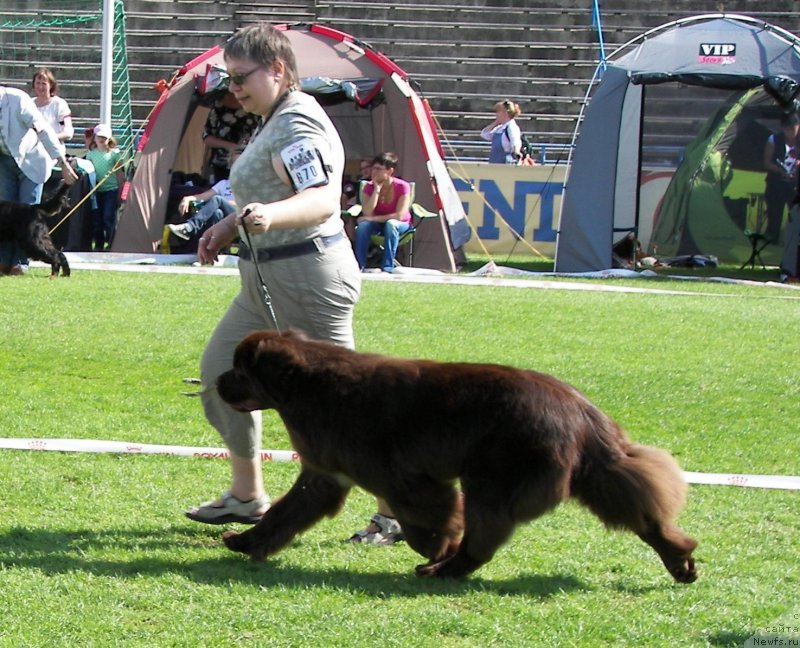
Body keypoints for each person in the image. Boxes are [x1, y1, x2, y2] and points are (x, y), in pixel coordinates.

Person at [185, 22, 399, 545]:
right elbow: (268, 193)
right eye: (227, 78)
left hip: (309, 278)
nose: (232, 88)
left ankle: (396, 511)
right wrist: (230, 222)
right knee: (220, 374)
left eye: (241, 77)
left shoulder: (300, 120)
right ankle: (245, 495)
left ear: (278, 69)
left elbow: (323, 199)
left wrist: (267, 216)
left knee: (344, 408)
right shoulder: (273, 118)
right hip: (262, 282)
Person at [0, 84, 78, 274]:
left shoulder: (17, 99)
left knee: (27, 218)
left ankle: (20, 264)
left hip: (31, 159)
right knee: (5, 221)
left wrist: (63, 162)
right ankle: (3, 263)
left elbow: (44, 131)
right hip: (5, 160)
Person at [353, 152, 412, 273]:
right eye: (373, 168)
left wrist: (373, 219)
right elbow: (367, 213)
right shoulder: (368, 187)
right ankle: (359, 266)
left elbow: (400, 215)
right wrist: (377, 190)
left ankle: (387, 267)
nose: (374, 172)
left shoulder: (403, 187)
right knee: (363, 226)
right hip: (379, 225)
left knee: (392, 224)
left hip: (401, 225)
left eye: (378, 169)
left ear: (390, 171)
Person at [202, 91, 258, 183]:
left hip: (247, 163)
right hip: (221, 163)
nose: (225, 100)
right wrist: (230, 146)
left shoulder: (255, 110)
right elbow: (206, 137)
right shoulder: (218, 108)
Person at [763, 112, 800, 243]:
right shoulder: (774, 139)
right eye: (786, 129)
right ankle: (771, 244)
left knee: (796, 218)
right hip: (776, 185)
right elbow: (767, 163)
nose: (789, 132)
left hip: (795, 186)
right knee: (774, 217)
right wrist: (779, 170)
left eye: (792, 129)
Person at [85, 123, 123, 251]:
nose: (102, 140)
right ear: (95, 137)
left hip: (111, 190)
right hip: (96, 191)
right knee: (98, 218)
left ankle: (112, 243)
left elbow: (119, 173)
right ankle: (99, 245)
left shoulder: (114, 154)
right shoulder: (91, 154)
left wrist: (121, 190)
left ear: (109, 139)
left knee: (108, 217)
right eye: (99, 136)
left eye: (104, 137)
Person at [167, 175, 237, 241]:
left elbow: (246, 204)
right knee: (217, 213)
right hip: (224, 218)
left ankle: (191, 226)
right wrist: (188, 198)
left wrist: (225, 202)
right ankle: (209, 246)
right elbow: (203, 197)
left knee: (217, 199)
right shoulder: (224, 183)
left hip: (238, 215)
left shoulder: (246, 184)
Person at [31, 67, 74, 156]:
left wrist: (49, 138)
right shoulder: (28, 104)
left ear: (51, 85)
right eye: (38, 83)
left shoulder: (59, 104)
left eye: (44, 84)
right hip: (31, 154)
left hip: (53, 154)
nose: (40, 87)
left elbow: (68, 133)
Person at [480, 99, 523, 164]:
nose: (496, 114)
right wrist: (495, 123)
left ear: (505, 112)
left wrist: (516, 152)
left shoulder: (511, 127)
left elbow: (515, 142)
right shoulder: (499, 128)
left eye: (498, 111)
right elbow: (484, 134)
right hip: (494, 161)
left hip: (505, 162)